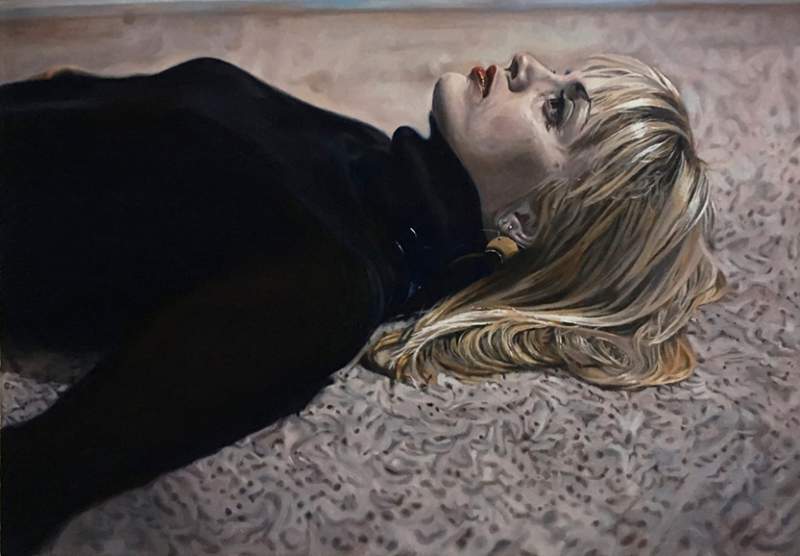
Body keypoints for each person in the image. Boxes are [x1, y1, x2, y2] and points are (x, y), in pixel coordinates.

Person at [0, 52, 726, 555]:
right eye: (560, 74)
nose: (526, 64)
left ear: (531, 223)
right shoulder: (365, 155)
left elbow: (38, 479)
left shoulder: (328, 288)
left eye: (556, 107)